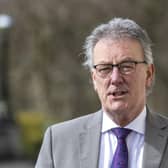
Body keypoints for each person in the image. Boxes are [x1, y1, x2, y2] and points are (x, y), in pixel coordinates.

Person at [35, 18, 168, 168]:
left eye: (126, 66)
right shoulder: (59, 141)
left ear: (149, 74)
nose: (115, 78)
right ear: (94, 79)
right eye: (104, 68)